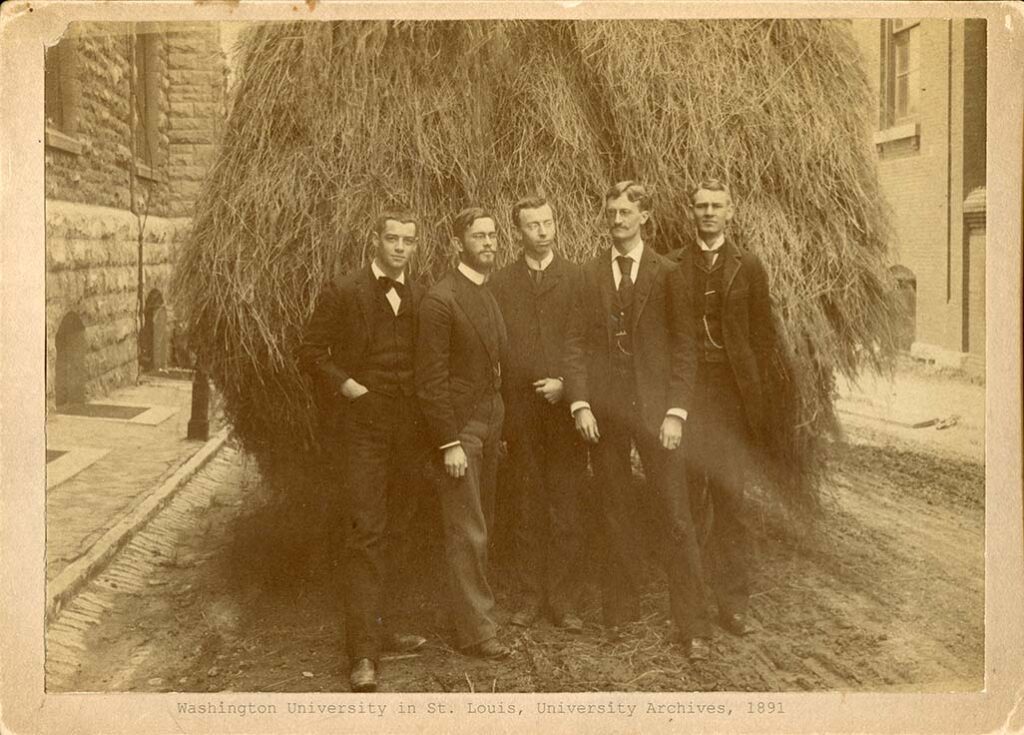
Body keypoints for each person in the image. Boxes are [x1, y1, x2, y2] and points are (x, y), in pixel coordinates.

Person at [563, 180, 711, 660]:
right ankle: (619, 616)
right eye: (611, 212)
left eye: (627, 212)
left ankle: (692, 626)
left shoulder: (668, 274)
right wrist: (581, 403)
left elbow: (686, 348)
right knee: (614, 510)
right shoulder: (588, 275)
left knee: (675, 514)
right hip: (606, 411)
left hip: (656, 413)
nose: (618, 220)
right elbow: (575, 344)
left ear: (644, 217)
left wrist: (675, 412)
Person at [298, 211, 428, 693]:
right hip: (362, 432)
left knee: (401, 526)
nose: (399, 247)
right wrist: (349, 386)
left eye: (408, 240)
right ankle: (363, 654)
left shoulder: (419, 294)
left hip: (408, 431)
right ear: (375, 241)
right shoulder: (344, 291)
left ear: (416, 246)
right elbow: (310, 353)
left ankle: (383, 629)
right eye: (391, 238)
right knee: (366, 532)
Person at [669, 179, 775, 637]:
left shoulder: (747, 266)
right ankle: (691, 608)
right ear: (690, 213)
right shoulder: (672, 265)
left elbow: (763, 338)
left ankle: (733, 605)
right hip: (690, 397)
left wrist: (757, 404)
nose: (708, 213)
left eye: (716, 206)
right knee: (689, 504)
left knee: (731, 502)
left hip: (731, 397)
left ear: (730, 212)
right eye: (700, 206)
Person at [415, 207, 511, 659]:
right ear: (459, 243)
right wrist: (449, 441)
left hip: (491, 421)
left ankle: (474, 615)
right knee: (467, 529)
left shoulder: (486, 293)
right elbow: (430, 380)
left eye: (492, 236)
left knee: (482, 522)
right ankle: (475, 631)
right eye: (478, 236)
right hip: (461, 428)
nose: (488, 243)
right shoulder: (441, 299)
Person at [489, 195, 586, 633]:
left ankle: (563, 601)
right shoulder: (503, 283)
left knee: (565, 505)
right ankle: (530, 598)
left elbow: (588, 343)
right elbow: (498, 353)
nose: (542, 231)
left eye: (548, 223)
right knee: (527, 506)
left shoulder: (578, 278)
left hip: (564, 411)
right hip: (524, 411)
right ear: (519, 232)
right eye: (533, 225)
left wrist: (566, 386)